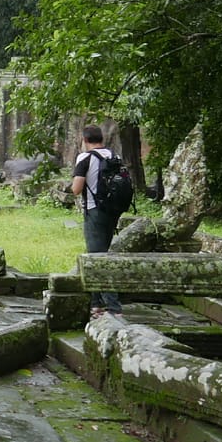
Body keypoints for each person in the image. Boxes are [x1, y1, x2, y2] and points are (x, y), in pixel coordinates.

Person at [70, 124, 123, 317]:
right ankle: (96, 304)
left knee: (97, 258)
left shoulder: (85, 157)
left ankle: (114, 307)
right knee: (99, 253)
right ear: (101, 138)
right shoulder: (114, 155)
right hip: (113, 211)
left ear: (85, 140)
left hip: (95, 211)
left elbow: (77, 188)